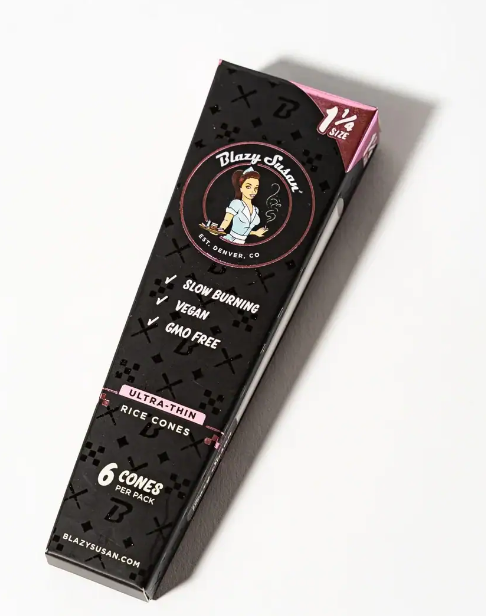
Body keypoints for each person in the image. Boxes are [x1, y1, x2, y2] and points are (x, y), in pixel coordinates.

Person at [202, 167, 268, 244]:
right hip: (230, 240)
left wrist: (255, 233)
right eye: (248, 187)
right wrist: (218, 230)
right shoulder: (236, 204)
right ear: (241, 188)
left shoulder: (255, 209)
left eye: (256, 188)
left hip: (242, 243)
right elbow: (226, 220)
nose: (253, 191)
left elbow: (243, 230)